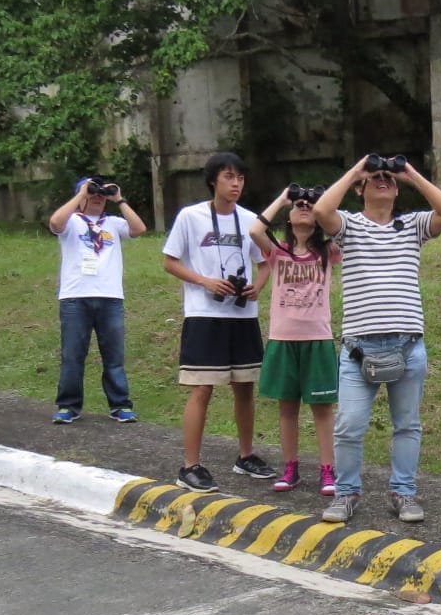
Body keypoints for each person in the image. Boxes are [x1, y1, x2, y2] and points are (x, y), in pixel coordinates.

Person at [312, 153, 441, 525]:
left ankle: (403, 493)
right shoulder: (348, 225)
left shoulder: (412, 225)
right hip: (359, 348)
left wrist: (409, 174)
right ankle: (346, 494)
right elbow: (321, 211)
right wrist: (355, 171)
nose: (384, 181)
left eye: (389, 179)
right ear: (361, 188)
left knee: (407, 425)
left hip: (408, 345)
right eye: (376, 178)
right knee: (349, 425)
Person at [162, 152, 274, 492]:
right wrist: (205, 281)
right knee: (202, 388)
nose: (236, 183)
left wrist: (257, 286)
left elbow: (268, 259)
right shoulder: (191, 217)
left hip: (241, 315)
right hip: (204, 314)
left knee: (245, 387)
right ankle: (189, 466)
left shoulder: (251, 219)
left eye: (240, 177)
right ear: (214, 181)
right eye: (229, 177)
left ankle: (246, 455)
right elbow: (169, 261)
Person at [248, 184, 339, 496]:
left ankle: (328, 469)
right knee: (287, 406)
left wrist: (322, 204)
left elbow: (343, 228)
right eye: (298, 204)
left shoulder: (328, 251)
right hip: (282, 338)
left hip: (318, 338)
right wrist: (283, 197)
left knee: (323, 408)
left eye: (309, 204)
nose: (304, 206)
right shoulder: (277, 251)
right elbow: (255, 229)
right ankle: (291, 466)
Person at [48, 175, 147, 424]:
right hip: (75, 297)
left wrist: (119, 199)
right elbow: (55, 222)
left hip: (110, 296)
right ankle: (68, 405)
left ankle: (120, 404)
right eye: (93, 192)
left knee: (114, 356)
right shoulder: (71, 221)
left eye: (101, 193)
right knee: (73, 355)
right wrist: (81, 194)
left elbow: (139, 229)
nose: (97, 197)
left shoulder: (113, 223)